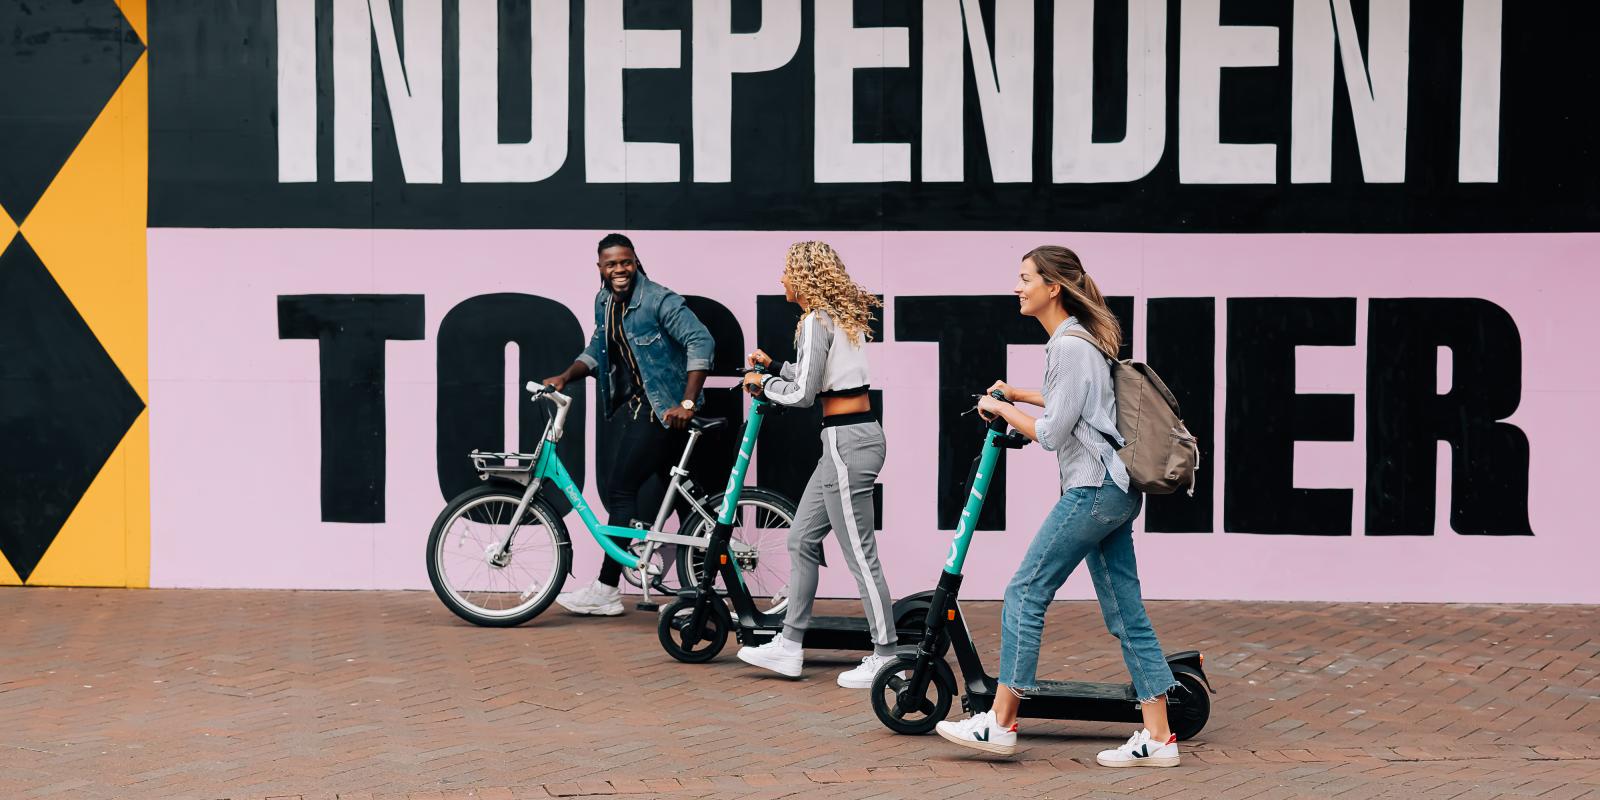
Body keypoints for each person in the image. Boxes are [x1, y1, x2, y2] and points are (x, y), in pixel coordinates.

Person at [934, 246, 1181, 767]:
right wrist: (1019, 392)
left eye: (1025, 278)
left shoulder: (1068, 346)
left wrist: (999, 407)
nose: (1017, 287)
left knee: (1025, 590)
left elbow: (1051, 435)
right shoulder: (1080, 342)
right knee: (1125, 612)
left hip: (1092, 491)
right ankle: (1159, 737)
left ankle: (1001, 724)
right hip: (1114, 491)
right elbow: (1079, 406)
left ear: (1054, 287)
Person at [735, 241, 895, 689]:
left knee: (861, 555)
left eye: (786, 271)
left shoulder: (812, 321)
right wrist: (777, 367)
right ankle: (789, 646)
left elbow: (804, 395)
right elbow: (821, 379)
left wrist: (762, 383)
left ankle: (885, 655)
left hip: (848, 442)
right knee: (802, 537)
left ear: (803, 278)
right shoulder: (834, 318)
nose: (781, 279)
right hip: (847, 440)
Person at [541, 233, 713, 616]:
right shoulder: (604, 302)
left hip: (665, 412)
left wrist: (686, 401)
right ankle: (696, 594)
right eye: (611, 264)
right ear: (600, 267)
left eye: (626, 262)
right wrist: (566, 376)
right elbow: (598, 348)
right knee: (682, 496)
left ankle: (606, 588)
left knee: (621, 490)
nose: (619, 270)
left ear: (636, 262)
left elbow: (700, 341)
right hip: (642, 408)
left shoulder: (658, 300)